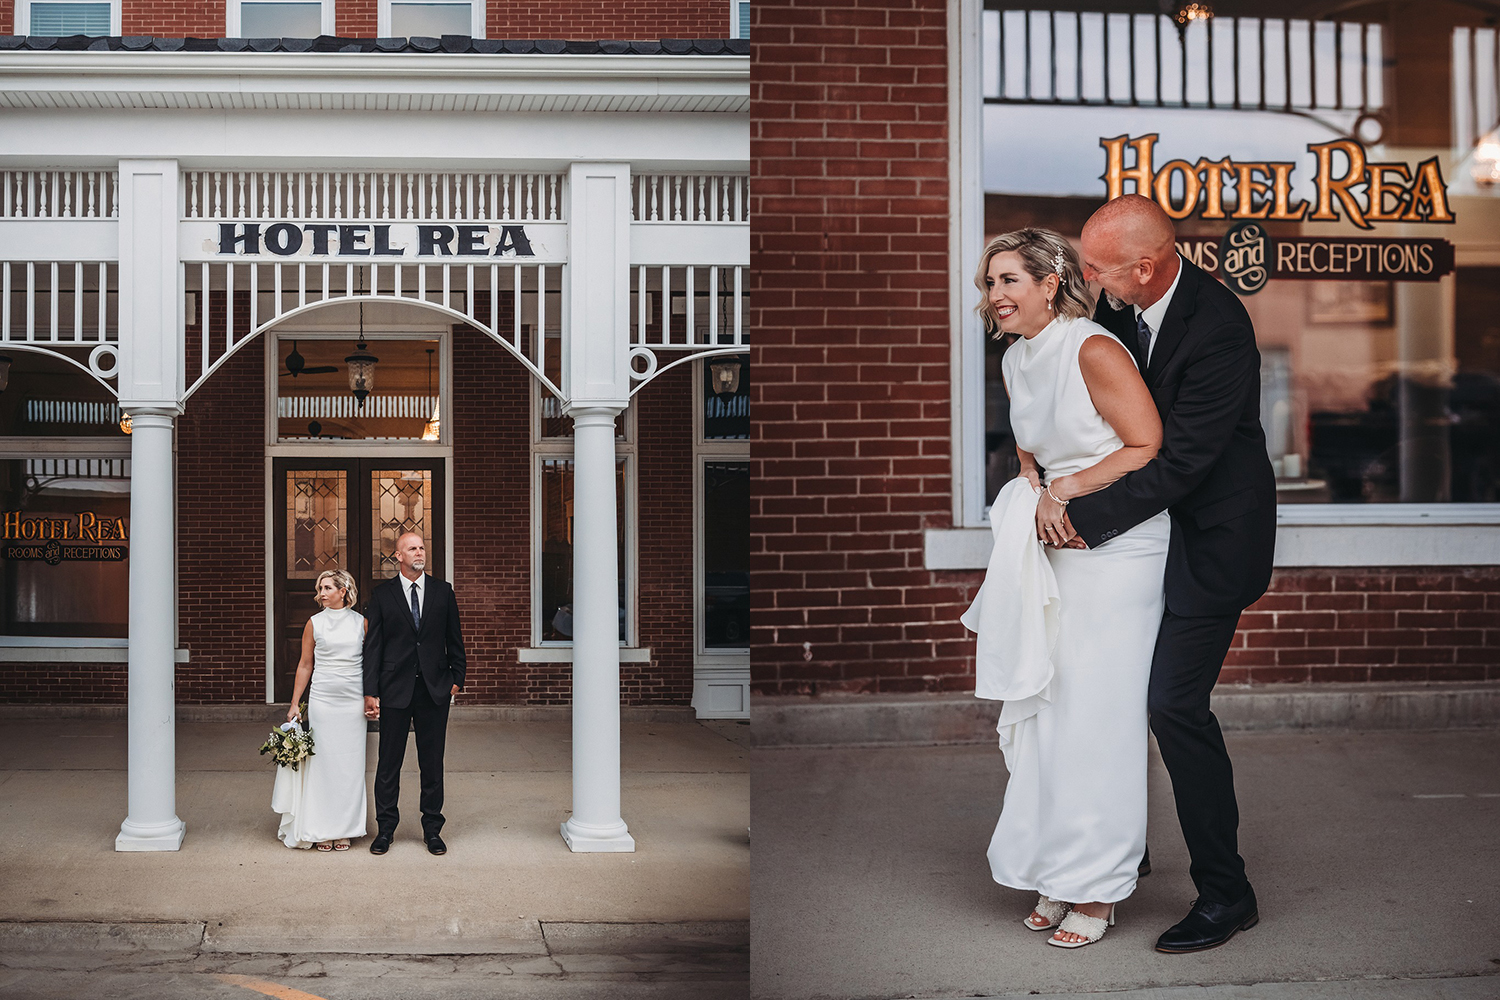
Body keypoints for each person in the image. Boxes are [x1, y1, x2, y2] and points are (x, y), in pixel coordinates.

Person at [1061, 194, 1276, 954]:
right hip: (1142, 541)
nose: (1087, 280)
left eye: (1099, 269)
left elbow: (1183, 460)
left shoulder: (1219, 329)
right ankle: (1122, 846)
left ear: (1145, 267)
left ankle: (1228, 892)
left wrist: (1078, 519)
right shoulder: (1117, 310)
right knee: (1112, 693)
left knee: (1173, 707)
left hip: (1211, 542)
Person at [962, 226, 1169, 949]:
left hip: (1122, 550)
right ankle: (1058, 866)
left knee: (1099, 717)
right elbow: (1029, 454)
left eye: (1009, 281)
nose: (995, 296)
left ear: (1050, 284)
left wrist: (1066, 489)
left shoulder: (1093, 348)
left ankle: (1099, 887)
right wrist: (1032, 492)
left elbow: (1146, 444)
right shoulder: (1017, 360)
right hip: (1056, 543)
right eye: (989, 284)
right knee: (1052, 707)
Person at [362, 532, 467, 856]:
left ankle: (433, 830)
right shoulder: (382, 596)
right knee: (388, 764)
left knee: (432, 763)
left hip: (434, 690)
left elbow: (455, 638)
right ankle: (386, 830)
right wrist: (371, 691)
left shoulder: (442, 592)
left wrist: (457, 679)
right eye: (412, 548)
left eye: (422, 547)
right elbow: (374, 648)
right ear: (398, 557)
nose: (419, 551)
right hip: (395, 690)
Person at [273, 569, 369, 852]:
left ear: (344, 591)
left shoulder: (361, 623)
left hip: (352, 701)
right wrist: (294, 704)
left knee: (350, 766)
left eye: (327, 588)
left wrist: (371, 698)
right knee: (323, 764)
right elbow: (305, 665)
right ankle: (322, 828)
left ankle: (345, 829)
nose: (321, 593)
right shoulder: (314, 623)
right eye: (320, 588)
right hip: (324, 701)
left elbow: (370, 663)